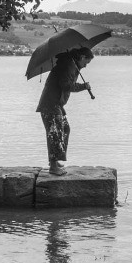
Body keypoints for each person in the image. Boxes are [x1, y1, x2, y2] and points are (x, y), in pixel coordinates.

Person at [36, 47, 93, 175]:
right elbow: (66, 85)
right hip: (50, 104)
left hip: (56, 104)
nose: (86, 66)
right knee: (55, 133)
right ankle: (53, 166)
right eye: (86, 62)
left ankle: (55, 161)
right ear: (82, 57)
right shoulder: (67, 65)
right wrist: (83, 86)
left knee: (64, 129)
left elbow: (66, 83)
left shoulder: (70, 65)